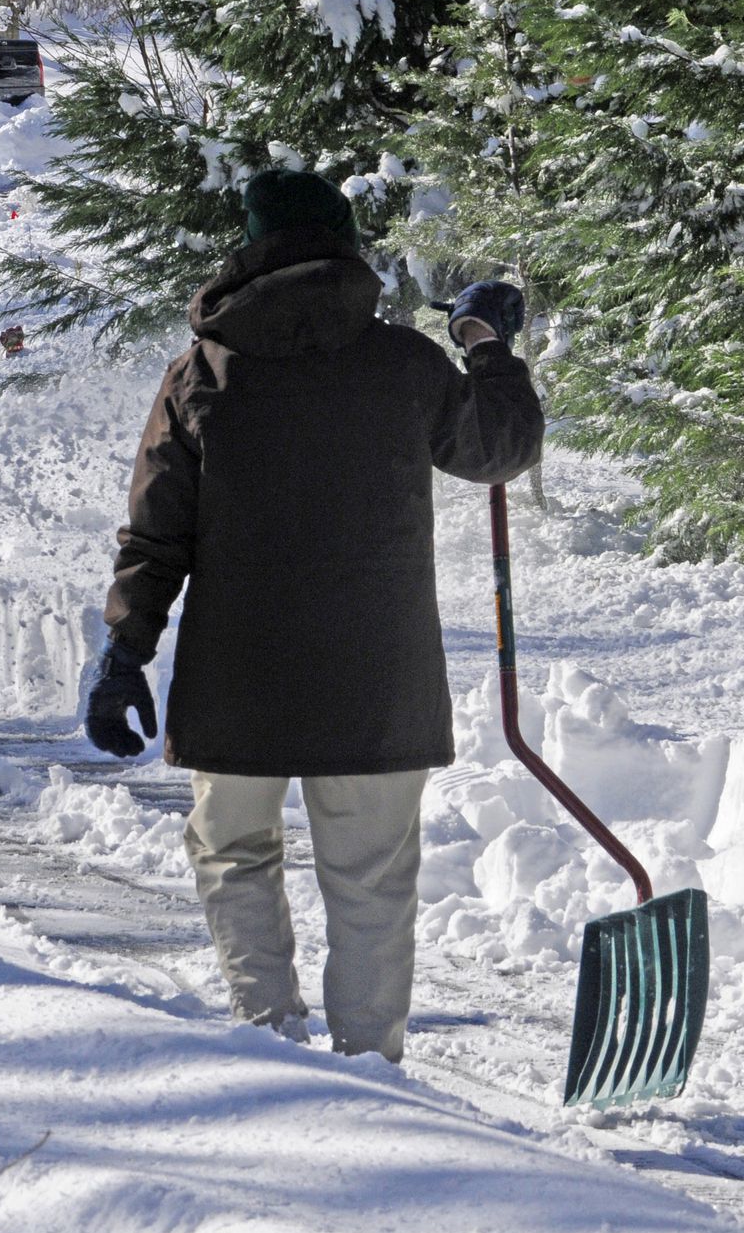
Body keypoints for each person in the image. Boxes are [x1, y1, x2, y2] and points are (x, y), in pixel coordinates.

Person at [83, 167, 544, 1061]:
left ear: (247, 253)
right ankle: (370, 1063)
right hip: (375, 684)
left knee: (234, 852)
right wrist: (485, 345)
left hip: (237, 681)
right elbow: (500, 448)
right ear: (346, 250)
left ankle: (269, 1036)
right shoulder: (404, 364)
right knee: (370, 881)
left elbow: (154, 536)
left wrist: (123, 651)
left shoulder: (200, 375)